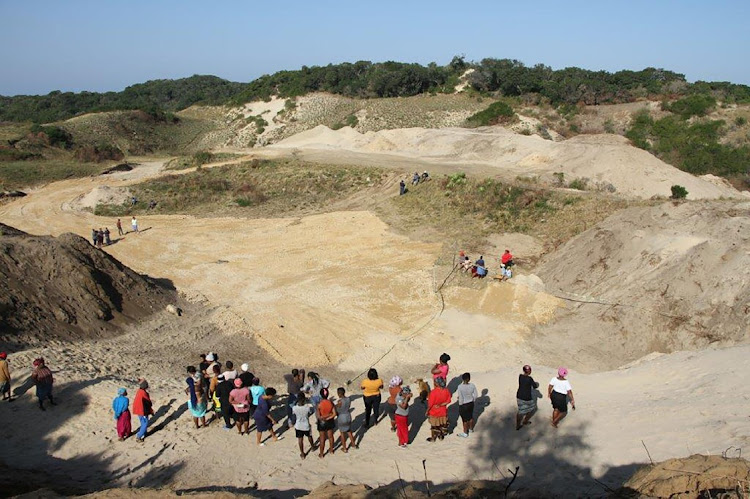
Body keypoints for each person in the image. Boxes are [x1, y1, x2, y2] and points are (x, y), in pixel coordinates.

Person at [426, 377, 451, 442]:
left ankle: (433, 438)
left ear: (437, 383)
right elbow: (448, 401)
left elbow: (430, 404)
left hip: (434, 412)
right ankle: (440, 436)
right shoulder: (446, 390)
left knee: (434, 425)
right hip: (443, 411)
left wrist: (427, 411)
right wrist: (441, 405)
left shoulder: (433, 392)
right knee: (441, 424)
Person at [516, 364, 539, 430]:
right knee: (531, 409)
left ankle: (518, 425)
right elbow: (535, 386)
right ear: (529, 371)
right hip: (527, 397)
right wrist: (536, 385)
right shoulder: (530, 379)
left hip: (519, 395)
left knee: (520, 411)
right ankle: (525, 421)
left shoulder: (520, 376)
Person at [293, 394, 316, 459]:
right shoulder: (307, 407)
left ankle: (302, 453)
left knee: (300, 439)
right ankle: (313, 447)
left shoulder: (295, 408)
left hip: (298, 425)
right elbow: (310, 412)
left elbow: (294, 413)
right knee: (309, 436)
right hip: (306, 425)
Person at [455, 372, 478, 437]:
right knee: (470, 417)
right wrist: (472, 399)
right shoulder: (472, 385)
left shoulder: (460, 387)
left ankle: (465, 433)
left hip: (464, 405)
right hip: (471, 403)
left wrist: (460, 404)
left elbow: (461, 397)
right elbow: (476, 395)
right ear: (469, 379)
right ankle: (471, 429)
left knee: (464, 420)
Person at [316, 387, 337, 458]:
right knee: (331, 436)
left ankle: (321, 454)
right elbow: (334, 414)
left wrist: (324, 417)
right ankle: (331, 450)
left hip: (322, 422)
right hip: (330, 421)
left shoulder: (319, 404)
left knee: (322, 438)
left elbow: (319, 416)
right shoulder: (331, 403)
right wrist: (329, 416)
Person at [335, 387, 356, 452]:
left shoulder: (340, 401)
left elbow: (337, 409)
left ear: (339, 394)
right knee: (349, 431)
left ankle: (344, 448)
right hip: (348, 415)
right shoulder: (348, 399)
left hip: (342, 417)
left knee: (342, 433)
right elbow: (348, 406)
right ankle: (353, 444)